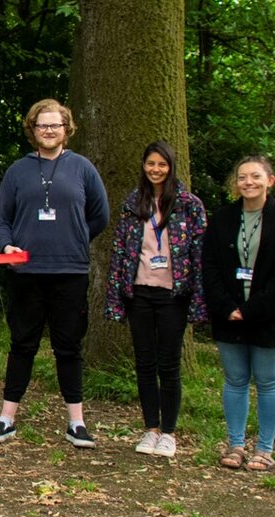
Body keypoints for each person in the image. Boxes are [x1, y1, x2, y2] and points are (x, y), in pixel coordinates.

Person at [0, 98, 110, 448]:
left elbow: (100, 215)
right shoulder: (17, 171)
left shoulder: (82, 168)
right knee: (22, 344)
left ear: (66, 129)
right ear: (33, 129)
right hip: (26, 272)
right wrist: (6, 245)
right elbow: (0, 219)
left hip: (70, 271)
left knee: (68, 347)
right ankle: (6, 418)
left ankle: (77, 423)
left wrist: (77, 238)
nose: (50, 130)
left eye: (56, 125)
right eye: (43, 125)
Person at [103, 142, 207, 458]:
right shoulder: (135, 202)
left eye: (162, 164)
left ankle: (169, 433)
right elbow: (121, 250)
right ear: (144, 166)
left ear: (171, 167)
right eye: (151, 163)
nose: (156, 169)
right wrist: (116, 294)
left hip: (173, 295)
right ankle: (150, 429)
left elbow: (201, 253)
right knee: (145, 363)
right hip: (140, 294)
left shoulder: (189, 204)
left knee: (169, 364)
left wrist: (199, 299)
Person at [204, 155, 275, 471]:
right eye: (242, 177)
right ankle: (235, 445)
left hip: (269, 317)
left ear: (269, 181)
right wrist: (227, 308)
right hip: (228, 315)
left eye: (255, 176)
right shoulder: (221, 219)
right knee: (234, 380)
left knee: (268, 380)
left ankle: (264, 448)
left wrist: (251, 310)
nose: (248, 182)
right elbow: (210, 267)